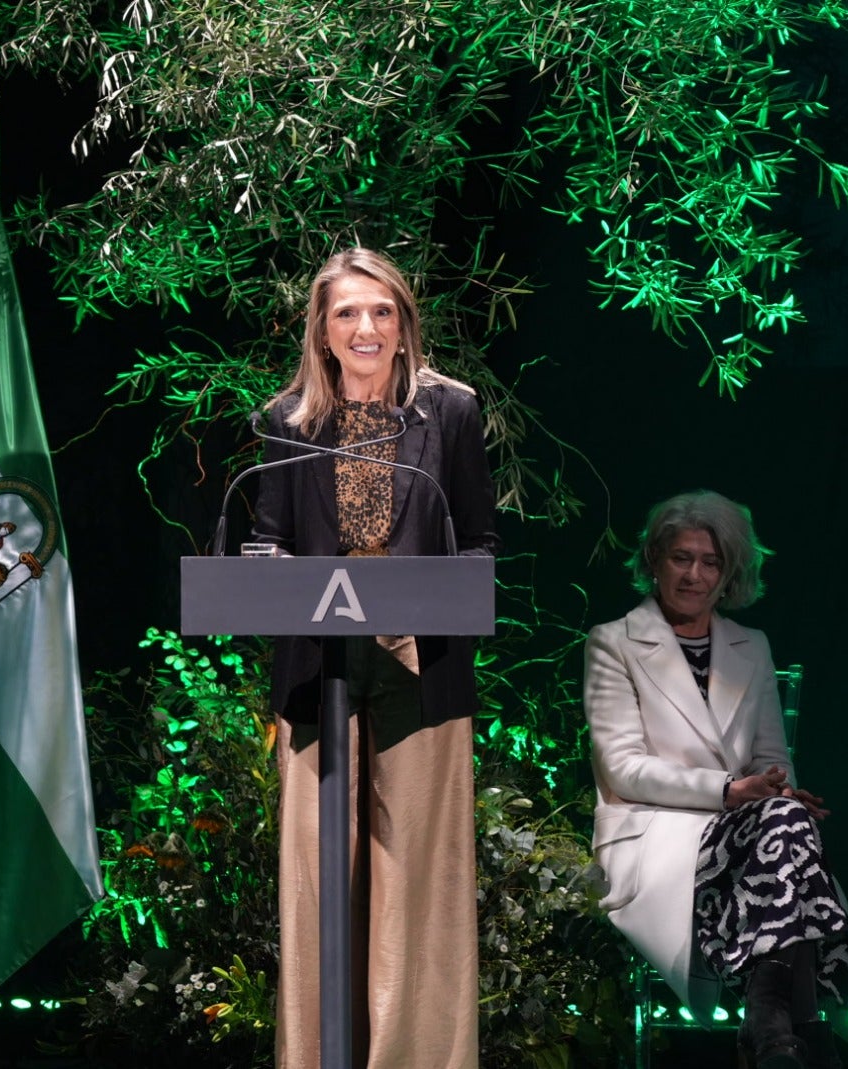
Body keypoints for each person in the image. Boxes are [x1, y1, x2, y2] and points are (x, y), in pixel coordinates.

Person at [250, 247, 499, 1069]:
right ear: (321, 329)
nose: (366, 327)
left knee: (416, 891)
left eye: (382, 311)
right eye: (349, 312)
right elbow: (267, 541)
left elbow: (480, 543)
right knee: (320, 888)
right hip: (318, 673)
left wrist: (440, 593)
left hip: (421, 673)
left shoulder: (452, 412)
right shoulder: (287, 421)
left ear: (404, 325)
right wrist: (269, 568)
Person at [583, 490, 848, 1069]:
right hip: (656, 834)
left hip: (747, 839)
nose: (695, 574)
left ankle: (771, 1030)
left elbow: (768, 758)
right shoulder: (613, 642)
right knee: (789, 834)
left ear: (730, 572)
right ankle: (801, 1025)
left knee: (788, 816)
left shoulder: (750, 646)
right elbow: (622, 768)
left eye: (711, 562)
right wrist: (729, 792)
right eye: (681, 558)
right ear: (654, 560)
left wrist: (778, 789)